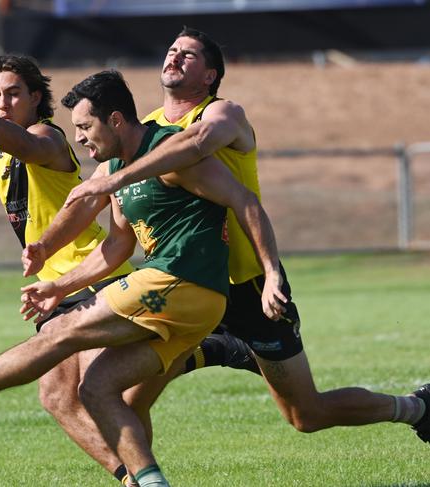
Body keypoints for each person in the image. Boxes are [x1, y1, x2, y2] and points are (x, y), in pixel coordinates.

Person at [0, 2, 261, 483]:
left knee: (104, 393)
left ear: (37, 99)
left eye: (13, 94)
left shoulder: (50, 139)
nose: (2, 103)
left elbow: (24, 146)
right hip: (62, 281)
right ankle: (142, 469)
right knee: (64, 397)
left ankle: (206, 356)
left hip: (92, 275)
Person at [57, 27, 430, 445]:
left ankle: (416, 408)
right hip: (187, 283)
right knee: (125, 397)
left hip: (249, 286)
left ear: (210, 76)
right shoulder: (141, 133)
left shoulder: (224, 114)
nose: (175, 57)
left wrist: (272, 274)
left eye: (189, 55)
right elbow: (112, 222)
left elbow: (197, 143)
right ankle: (143, 475)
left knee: (305, 414)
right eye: (172, 50)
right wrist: (54, 274)